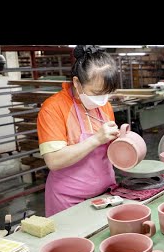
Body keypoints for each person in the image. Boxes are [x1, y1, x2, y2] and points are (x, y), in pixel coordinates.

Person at [37, 45, 121, 217]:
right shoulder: (53, 109)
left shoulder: (104, 105)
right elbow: (53, 160)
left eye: (106, 93)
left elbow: (107, 150)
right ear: (77, 83)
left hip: (105, 196)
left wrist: (122, 141)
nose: (102, 99)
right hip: (68, 201)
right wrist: (96, 139)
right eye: (97, 92)